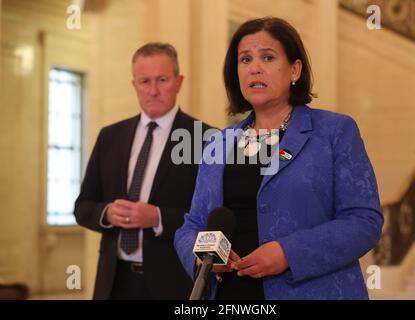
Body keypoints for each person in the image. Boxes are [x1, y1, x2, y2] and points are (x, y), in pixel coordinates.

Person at [174, 17, 383, 300]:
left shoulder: (334, 132)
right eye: (245, 59)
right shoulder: (218, 143)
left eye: (268, 57)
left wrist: (288, 253)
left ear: (295, 70)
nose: (255, 68)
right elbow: (192, 225)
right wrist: (201, 257)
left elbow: (364, 221)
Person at [74, 42, 211, 299]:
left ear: (179, 82)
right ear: (134, 85)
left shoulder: (204, 138)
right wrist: (107, 213)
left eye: (162, 79)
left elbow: (212, 218)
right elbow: (82, 206)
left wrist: (158, 217)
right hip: (114, 282)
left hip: (173, 283)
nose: (153, 90)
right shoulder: (110, 136)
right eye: (144, 81)